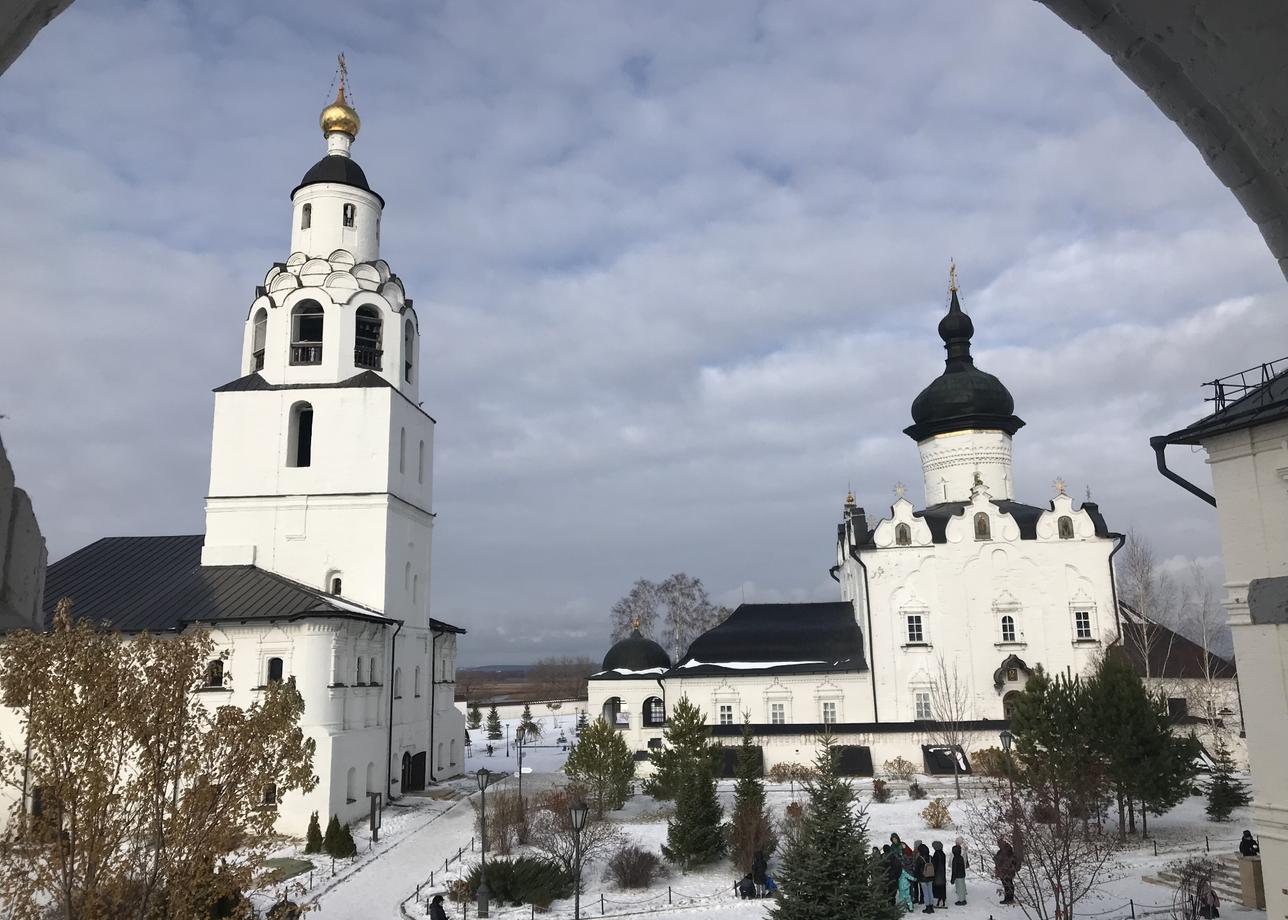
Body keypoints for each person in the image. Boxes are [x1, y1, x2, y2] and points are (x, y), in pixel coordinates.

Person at [994, 839, 1017, 905]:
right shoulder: (1006, 851)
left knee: (1007, 885)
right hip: (1006, 871)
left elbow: (1005, 861)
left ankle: (1009, 898)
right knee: (1008, 884)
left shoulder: (1005, 852)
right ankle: (1009, 898)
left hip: (1005, 871)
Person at [916, 843, 935, 913]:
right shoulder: (930, 857)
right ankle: (931, 906)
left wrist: (917, 877)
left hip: (923, 878)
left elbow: (917, 869)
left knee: (925, 893)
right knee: (930, 891)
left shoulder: (920, 858)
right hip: (931, 876)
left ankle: (927, 906)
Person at [932, 840, 948, 908]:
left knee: (939, 888)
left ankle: (940, 901)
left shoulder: (936, 854)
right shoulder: (943, 854)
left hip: (938, 874)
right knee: (942, 887)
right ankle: (943, 900)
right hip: (942, 873)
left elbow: (934, 865)